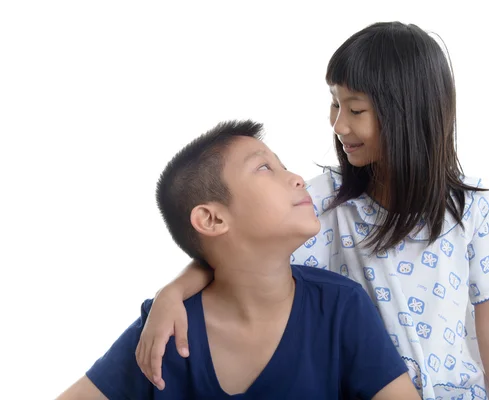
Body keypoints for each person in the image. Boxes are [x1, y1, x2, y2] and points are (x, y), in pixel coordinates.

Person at [137, 22, 489, 400]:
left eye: (355, 109)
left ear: (408, 114)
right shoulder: (324, 203)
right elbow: (240, 255)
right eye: (334, 104)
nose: (338, 125)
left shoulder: (475, 212)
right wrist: (171, 294)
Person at [56, 120, 419, 400]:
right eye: (264, 168)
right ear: (212, 219)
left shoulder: (341, 307)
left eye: (284, 166)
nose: (296, 179)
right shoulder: (165, 329)